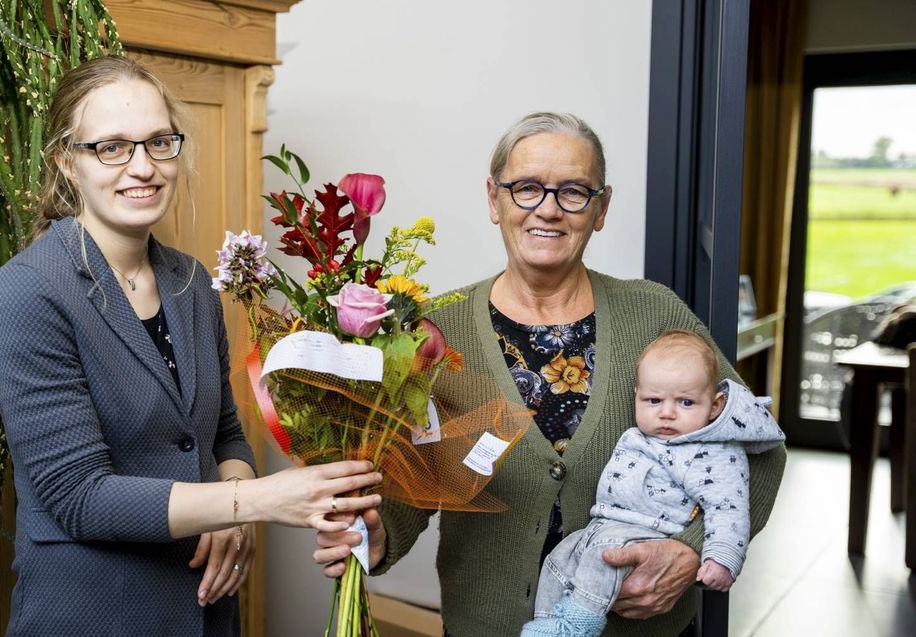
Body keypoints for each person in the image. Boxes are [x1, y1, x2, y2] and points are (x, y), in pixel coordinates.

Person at [313, 112, 787, 636]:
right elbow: (420, 477)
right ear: (494, 199)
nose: (548, 209)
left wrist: (688, 553)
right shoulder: (434, 331)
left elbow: (758, 446)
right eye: (527, 188)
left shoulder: (654, 314)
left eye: (573, 192)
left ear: (601, 208)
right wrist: (377, 538)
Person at [0, 55, 382, 637]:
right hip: (93, 614)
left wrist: (234, 505)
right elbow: (79, 496)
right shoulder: (29, 292)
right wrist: (253, 504)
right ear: (68, 163)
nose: (143, 167)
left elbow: (223, 435)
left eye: (158, 142)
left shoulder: (191, 283)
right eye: (112, 147)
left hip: (206, 607)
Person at [521, 330, 786, 637]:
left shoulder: (713, 452)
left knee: (605, 555)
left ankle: (576, 626)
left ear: (715, 406)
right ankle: (545, 625)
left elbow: (729, 506)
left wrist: (721, 558)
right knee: (561, 556)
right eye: (653, 400)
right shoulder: (640, 436)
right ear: (637, 395)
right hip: (605, 525)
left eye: (686, 402)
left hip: (649, 535)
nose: (667, 413)